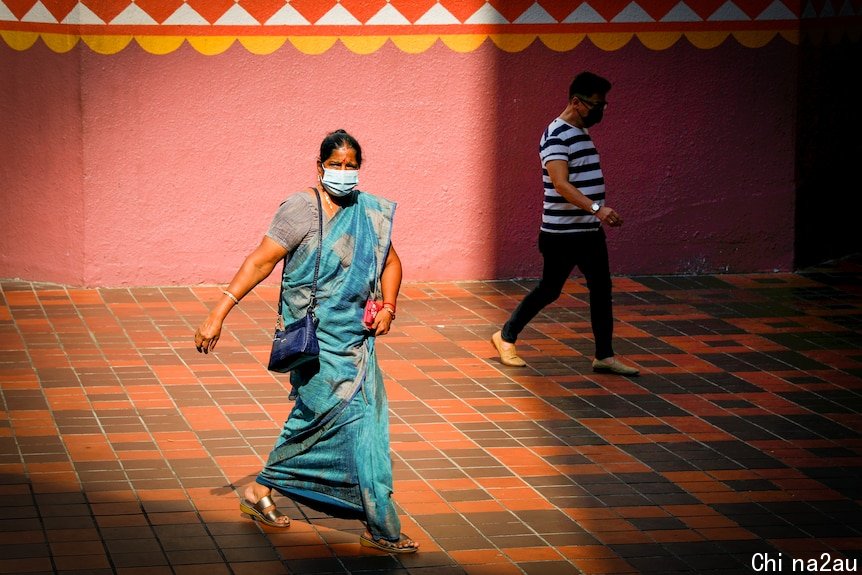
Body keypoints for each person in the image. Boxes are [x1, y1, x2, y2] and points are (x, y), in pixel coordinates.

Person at [194, 129, 418, 553]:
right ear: (319, 167)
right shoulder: (300, 208)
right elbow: (260, 261)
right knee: (317, 419)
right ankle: (373, 522)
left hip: (356, 342)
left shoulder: (368, 211)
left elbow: (391, 260)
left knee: (365, 427)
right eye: (336, 165)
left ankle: (271, 492)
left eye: (352, 166)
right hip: (314, 343)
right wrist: (216, 314)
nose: (344, 173)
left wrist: (388, 306)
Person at [491, 72, 639, 376]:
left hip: (588, 233)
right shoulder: (556, 136)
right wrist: (597, 208)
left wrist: (594, 216)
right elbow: (561, 184)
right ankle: (505, 336)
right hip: (561, 235)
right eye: (597, 104)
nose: (602, 110)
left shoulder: (580, 131)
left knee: (601, 290)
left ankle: (604, 356)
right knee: (549, 289)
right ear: (576, 102)